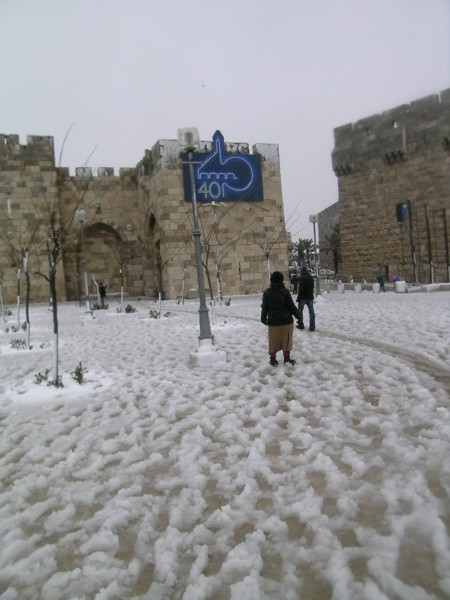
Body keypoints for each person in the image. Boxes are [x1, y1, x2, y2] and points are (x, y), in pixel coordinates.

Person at [261, 271, 300, 366]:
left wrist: (263, 318)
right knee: (286, 340)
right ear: (281, 280)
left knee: (273, 341)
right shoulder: (285, 291)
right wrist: (298, 315)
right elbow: (291, 306)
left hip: (273, 322)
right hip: (286, 320)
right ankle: (287, 358)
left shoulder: (267, 293)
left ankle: (273, 358)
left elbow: (264, 307)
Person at [296, 266, 315, 331]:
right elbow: (312, 287)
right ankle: (312, 326)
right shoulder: (310, 277)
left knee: (300, 311)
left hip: (303, 297)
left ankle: (301, 324)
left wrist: (298, 298)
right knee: (311, 312)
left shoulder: (302, 278)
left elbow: (301, 289)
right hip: (310, 297)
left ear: (301, 271)